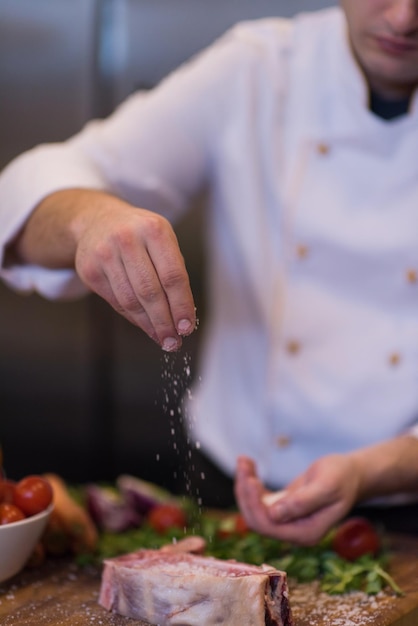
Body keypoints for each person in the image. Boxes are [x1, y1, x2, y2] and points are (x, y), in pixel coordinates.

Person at [1, 0, 418, 544]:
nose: (404, 18)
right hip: (228, 490)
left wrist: (374, 470)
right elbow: (26, 186)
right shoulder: (259, 69)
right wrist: (88, 217)